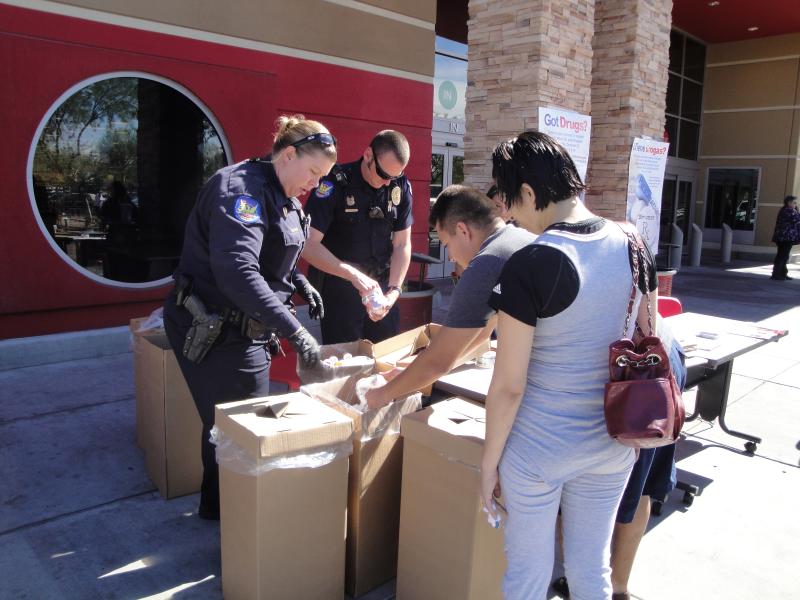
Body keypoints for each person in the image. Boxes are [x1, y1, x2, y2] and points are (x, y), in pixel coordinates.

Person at [480, 131, 659, 599]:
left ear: (529, 193)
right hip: (611, 442)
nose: (509, 215)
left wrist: (488, 464)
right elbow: (649, 339)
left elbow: (509, 386)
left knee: (527, 577)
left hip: (538, 449)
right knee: (591, 571)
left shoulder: (530, 262)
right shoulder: (634, 242)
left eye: (509, 202)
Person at [163, 115, 335, 520]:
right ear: (288, 155)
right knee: (242, 432)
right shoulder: (241, 190)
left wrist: (299, 283)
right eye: (313, 172)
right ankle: (238, 524)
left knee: (229, 427)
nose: (314, 184)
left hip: (247, 327)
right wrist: (296, 331)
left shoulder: (285, 194)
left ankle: (221, 512)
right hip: (214, 329)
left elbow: (273, 255)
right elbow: (238, 271)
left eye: (321, 177)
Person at [363, 185, 535, 409]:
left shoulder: (486, 263)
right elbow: (480, 336)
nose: (451, 256)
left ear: (463, 230)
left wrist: (379, 396)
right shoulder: (523, 239)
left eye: (447, 245)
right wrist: (411, 369)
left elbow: (438, 362)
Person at [302, 130, 413, 344]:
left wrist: (394, 291)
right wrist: (354, 276)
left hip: (381, 289)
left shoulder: (400, 186)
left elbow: (402, 244)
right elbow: (308, 243)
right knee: (345, 360)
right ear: (368, 155)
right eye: (383, 174)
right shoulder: (334, 182)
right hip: (340, 290)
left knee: (386, 355)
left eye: (394, 176)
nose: (388, 183)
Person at [770, 194, 799, 281]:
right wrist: (797, 211)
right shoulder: (789, 211)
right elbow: (797, 219)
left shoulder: (785, 210)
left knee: (783, 255)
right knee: (783, 256)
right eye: (794, 203)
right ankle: (777, 274)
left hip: (783, 237)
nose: (795, 204)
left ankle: (782, 273)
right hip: (786, 237)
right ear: (789, 202)